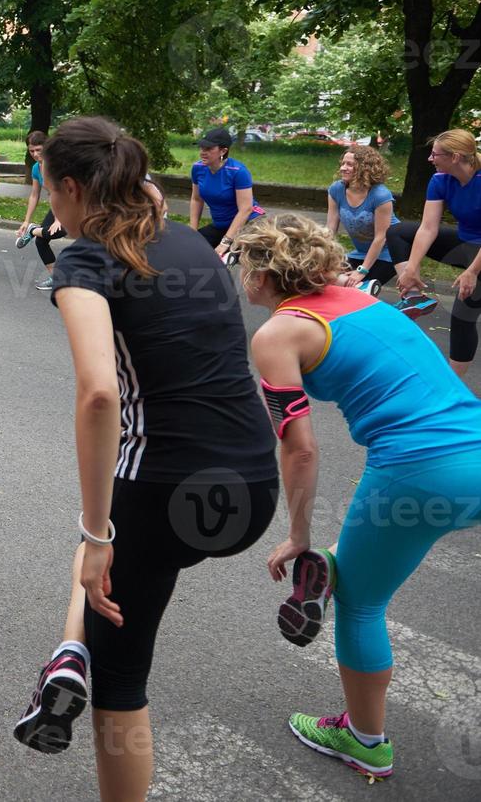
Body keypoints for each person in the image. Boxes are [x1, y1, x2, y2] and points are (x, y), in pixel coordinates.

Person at [12, 117, 278, 802]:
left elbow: (99, 393)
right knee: (117, 567)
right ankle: (69, 651)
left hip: (161, 490)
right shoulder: (189, 241)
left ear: (69, 186)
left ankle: (78, 654)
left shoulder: (84, 260)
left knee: (120, 666)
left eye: (49, 190)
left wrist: (99, 533)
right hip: (250, 484)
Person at [236, 214, 481, 781]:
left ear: (266, 274)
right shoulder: (358, 299)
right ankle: (338, 560)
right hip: (474, 448)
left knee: (362, 602)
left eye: (245, 265)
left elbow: (299, 450)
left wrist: (297, 534)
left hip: (419, 470)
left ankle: (364, 739)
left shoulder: (277, 334)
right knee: (363, 561)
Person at [389, 129, 481, 377]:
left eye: (435, 154)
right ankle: (415, 297)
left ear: (456, 157)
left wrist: (472, 272)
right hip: (466, 244)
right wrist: (411, 268)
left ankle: (454, 387)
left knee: (463, 314)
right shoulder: (440, 180)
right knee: (398, 232)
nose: (430, 159)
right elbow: (428, 228)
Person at [324, 146, 401, 294]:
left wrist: (362, 271)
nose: (343, 168)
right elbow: (330, 229)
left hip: (389, 254)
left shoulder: (380, 195)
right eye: (343, 163)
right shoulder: (336, 190)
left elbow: (381, 237)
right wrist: (326, 259)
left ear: (366, 168)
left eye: (350, 165)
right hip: (360, 253)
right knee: (327, 279)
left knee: (357, 292)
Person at [189, 126, 265, 262]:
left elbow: (245, 209)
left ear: (223, 151)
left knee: (226, 259)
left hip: (249, 224)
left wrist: (225, 243)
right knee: (191, 248)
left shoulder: (238, 171)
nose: (202, 152)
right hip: (221, 225)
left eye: (208, 149)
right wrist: (192, 230)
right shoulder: (198, 168)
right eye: (201, 148)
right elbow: (196, 199)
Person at [15, 131, 65, 289]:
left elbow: (59, 192)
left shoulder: (57, 164)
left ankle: (33, 230)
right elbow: (35, 195)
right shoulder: (37, 168)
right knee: (42, 240)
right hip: (58, 204)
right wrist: (26, 220)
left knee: (58, 231)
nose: (35, 154)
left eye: (38, 150)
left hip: (74, 204)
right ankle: (56, 278)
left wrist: (58, 220)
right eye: (31, 151)